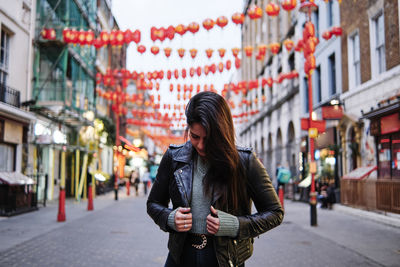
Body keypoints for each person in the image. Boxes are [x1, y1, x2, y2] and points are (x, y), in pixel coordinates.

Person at [147, 92, 284, 267]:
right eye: (195, 137)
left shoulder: (245, 161)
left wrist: (234, 225)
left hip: (225, 259)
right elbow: (153, 203)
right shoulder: (174, 157)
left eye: (209, 138)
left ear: (222, 132)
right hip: (180, 256)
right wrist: (170, 218)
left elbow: (275, 213)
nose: (201, 146)